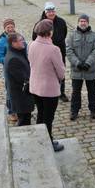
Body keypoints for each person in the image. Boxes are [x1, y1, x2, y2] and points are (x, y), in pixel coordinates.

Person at [28, 19, 66, 152]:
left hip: (35, 87)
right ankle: (48, 142)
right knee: (48, 118)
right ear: (50, 33)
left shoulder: (31, 44)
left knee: (40, 114)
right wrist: (60, 78)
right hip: (49, 89)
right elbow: (61, 72)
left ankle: (39, 138)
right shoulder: (53, 49)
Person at [32, 2, 69, 102]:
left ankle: (61, 92)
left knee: (60, 71)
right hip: (44, 53)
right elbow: (34, 38)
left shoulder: (61, 22)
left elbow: (64, 33)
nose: (51, 13)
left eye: (53, 11)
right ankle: (44, 91)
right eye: (49, 12)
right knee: (45, 72)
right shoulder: (39, 24)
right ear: (45, 12)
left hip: (59, 50)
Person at [66, 14, 95, 121]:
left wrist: (88, 63)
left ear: (88, 23)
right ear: (78, 22)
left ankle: (93, 110)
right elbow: (69, 50)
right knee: (75, 92)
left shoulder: (94, 35)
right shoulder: (72, 35)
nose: (83, 23)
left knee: (92, 91)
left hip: (90, 69)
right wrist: (77, 63)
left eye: (85, 21)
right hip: (76, 70)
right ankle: (74, 111)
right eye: (81, 21)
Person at [4, 33, 34, 127]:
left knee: (25, 120)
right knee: (24, 123)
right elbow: (23, 79)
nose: (23, 42)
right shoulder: (13, 59)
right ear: (13, 43)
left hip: (22, 97)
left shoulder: (17, 53)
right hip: (21, 98)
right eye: (21, 40)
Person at [0, 18, 17, 122]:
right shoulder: (1, 40)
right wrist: (10, 60)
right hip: (9, 69)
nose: (10, 29)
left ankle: (20, 109)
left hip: (20, 68)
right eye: (8, 27)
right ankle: (12, 112)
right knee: (10, 91)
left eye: (12, 27)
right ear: (4, 28)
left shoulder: (18, 36)